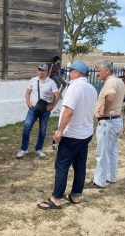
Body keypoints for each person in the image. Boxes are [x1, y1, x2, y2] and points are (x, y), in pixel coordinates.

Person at [37, 61, 97, 210]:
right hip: (86, 133)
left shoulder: (74, 88)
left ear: (77, 73)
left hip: (72, 135)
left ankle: (56, 199)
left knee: (62, 166)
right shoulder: (91, 88)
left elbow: (69, 111)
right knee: (80, 165)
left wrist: (59, 132)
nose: (69, 73)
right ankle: (76, 195)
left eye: (71, 71)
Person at [85, 59, 125, 189]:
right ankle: (111, 177)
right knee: (112, 151)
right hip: (116, 120)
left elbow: (110, 97)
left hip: (108, 121)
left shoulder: (110, 82)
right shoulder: (119, 81)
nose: (96, 73)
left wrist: (105, 112)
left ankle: (99, 181)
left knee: (102, 153)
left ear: (107, 70)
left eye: (98, 71)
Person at [16, 64, 59, 158]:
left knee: (42, 131)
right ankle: (24, 149)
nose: (41, 72)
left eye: (43, 70)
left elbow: (57, 95)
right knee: (27, 128)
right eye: (39, 70)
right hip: (33, 109)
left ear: (47, 72)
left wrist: (51, 107)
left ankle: (39, 149)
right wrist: (28, 103)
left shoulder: (51, 82)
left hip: (45, 110)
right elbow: (28, 92)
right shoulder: (33, 80)